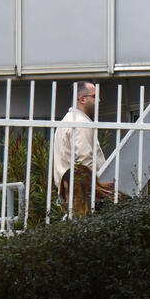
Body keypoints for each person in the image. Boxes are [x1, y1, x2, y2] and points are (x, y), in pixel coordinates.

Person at [52, 81, 114, 215]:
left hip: (68, 191)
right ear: (81, 99)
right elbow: (86, 162)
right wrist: (98, 189)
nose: (99, 100)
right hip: (83, 194)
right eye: (94, 96)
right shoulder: (81, 123)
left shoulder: (66, 121)